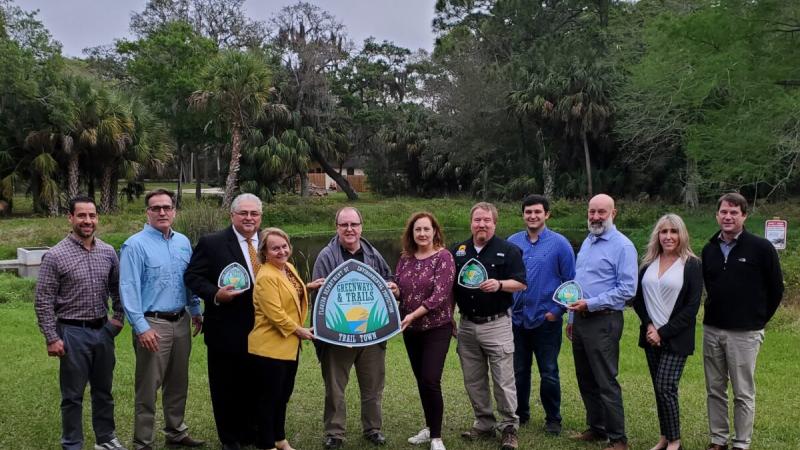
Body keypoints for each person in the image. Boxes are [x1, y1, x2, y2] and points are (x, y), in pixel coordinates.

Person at [34, 196, 127, 450]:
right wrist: (52, 338)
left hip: (103, 331)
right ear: (71, 218)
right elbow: (43, 301)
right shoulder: (55, 255)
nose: (88, 221)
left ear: (97, 218)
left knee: (103, 391)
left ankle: (105, 439)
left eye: (92, 216)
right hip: (72, 332)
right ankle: (72, 443)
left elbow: (118, 290)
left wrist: (118, 319)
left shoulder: (108, 252)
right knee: (73, 396)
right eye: (82, 216)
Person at [120, 189, 204, 450]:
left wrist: (196, 310)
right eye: (156, 208)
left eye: (166, 207)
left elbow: (187, 280)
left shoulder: (183, 242)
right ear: (147, 212)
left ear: (174, 211)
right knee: (148, 385)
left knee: (178, 381)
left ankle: (176, 432)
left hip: (180, 319)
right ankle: (143, 441)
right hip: (152, 322)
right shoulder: (134, 245)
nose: (162, 212)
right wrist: (140, 327)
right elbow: (128, 287)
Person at [701, 193, 783, 450]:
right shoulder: (709, 248)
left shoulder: (761, 248)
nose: (728, 217)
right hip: (712, 328)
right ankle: (718, 440)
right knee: (715, 389)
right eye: (724, 212)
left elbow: (776, 290)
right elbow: (709, 286)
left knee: (743, 392)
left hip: (745, 333)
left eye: (734, 213)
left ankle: (741, 442)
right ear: (717, 215)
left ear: (744, 216)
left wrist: (758, 319)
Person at [184, 193, 263, 450]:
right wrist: (214, 294)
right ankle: (230, 438)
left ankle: (251, 431)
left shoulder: (270, 242)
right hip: (225, 328)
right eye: (244, 213)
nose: (249, 218)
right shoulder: (212, 242)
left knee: (255, 383)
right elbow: (193, 276)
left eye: (254, 214)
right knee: (226, 386)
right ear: (232, 215)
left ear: (260, 217)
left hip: (262, 329)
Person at [311, 206, 394, 450]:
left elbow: (389, 281)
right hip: (338, 337)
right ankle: (335, 433)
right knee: (335, 387)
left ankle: (373, 428)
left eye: (354, 224)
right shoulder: (326, 256)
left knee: (373, 385)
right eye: (344, 225)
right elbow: (319, 300)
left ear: (361, 227)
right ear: (337, 228)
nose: (350, 229)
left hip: (371, 333)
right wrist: (334, 333)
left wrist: (394, 288)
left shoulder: (373, 253)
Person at [451, 202, 526, 450]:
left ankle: (508, 428)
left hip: (497, 324)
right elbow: (450, 288)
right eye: (477, 220)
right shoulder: (458, 251)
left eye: (487, 220)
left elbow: (521, 284)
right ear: (471, 222)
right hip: (467, 325)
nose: (481, 224)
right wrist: (450, 316)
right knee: (473, 379)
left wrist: (500, 284)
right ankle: (483, 422)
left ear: (495, 223)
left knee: (503, 380)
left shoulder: (509, 250)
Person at [567, 193, 638, 450]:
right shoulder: (588, 242)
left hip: (604, 320)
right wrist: (572, 317)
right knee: (585, 377)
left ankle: (618, 439)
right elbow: (580, 284)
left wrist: (591, 303)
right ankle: (596, 428)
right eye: (592, 212)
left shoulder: (623, 246)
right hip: (581, 320)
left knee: (605, 380)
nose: (595, 217)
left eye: (601, 212)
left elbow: (628, 289)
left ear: (613, 214)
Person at [632, 214, 703, 450]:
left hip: (676, 338)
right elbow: (639, 301)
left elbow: (691, 307)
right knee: (658, 389)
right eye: (664, 232)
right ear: (657, 235)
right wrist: (650, 326)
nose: (669, 236)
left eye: (674, 231)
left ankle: (675, 442)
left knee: (666, 386)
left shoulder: (692, 264)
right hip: (651, 337)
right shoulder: (647, 264)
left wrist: (663, 332)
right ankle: (664, 437)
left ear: (682, 234)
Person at [507, 195, 575, 436]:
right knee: (519, 371)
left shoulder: (560, 244)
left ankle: (553, 419)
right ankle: (521, 413)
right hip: (517, 320)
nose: (532, 216)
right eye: (528, 212)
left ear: (547, 214)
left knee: (549, 372)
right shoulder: (513, 242)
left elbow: (570, 283)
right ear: (523, 215)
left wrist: (557, 313)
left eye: (537, 212)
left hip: (546, 320)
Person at [249, 228, 317, 450]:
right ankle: (265, 443)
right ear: (265, 252)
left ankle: (280, 439)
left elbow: (289, 292)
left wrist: (309, 287)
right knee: (268, 400)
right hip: (269, 349)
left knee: (282, 396)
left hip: (288, 348)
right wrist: (301, 331)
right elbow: (276, 313)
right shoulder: (266, 275)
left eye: (284, 246)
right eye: (275, 248)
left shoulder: (287, 268)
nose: (281, 251)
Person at [393, 212, 456, 450]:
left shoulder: (444, 257)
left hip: (436, 328)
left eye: (426, 229)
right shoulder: (405, 258)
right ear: (411, 233)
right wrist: (394, 290)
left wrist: (410, 315)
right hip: (412, 330)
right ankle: (429, 428)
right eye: (417, 230)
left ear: (435, 231)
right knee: (422, 380)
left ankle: (437, 438)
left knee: (431, 379)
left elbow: (439, 296)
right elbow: (400, 288)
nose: (422, 234)